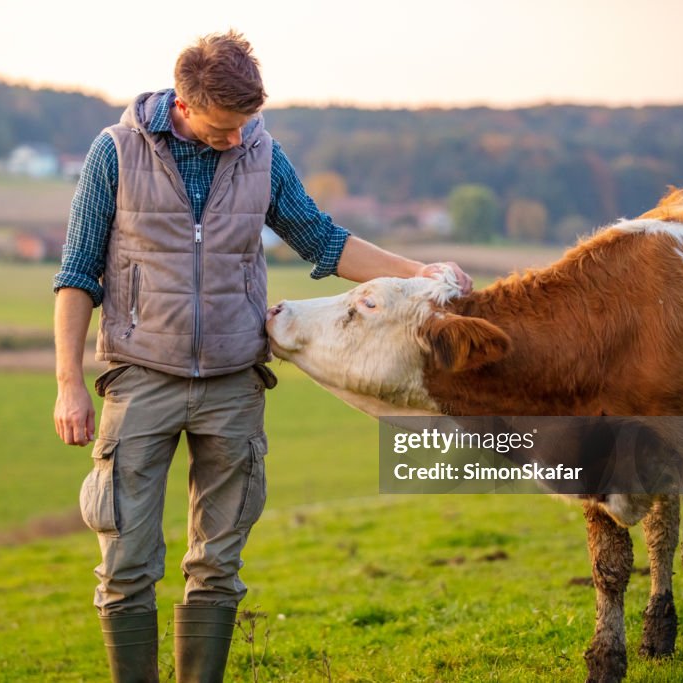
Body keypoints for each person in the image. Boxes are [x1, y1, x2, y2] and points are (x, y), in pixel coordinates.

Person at [52, 30, 472, 683]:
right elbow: (78, 274)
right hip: (140, 380)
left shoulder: (260, 152)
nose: (237, 139)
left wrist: (418, 272)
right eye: (224, 128)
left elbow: (322, 240)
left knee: (217, 563)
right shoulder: (114, 153)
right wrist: (68, 384)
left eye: (247, 125)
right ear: (185, 107)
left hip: (232, 383)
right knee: (127, 562)